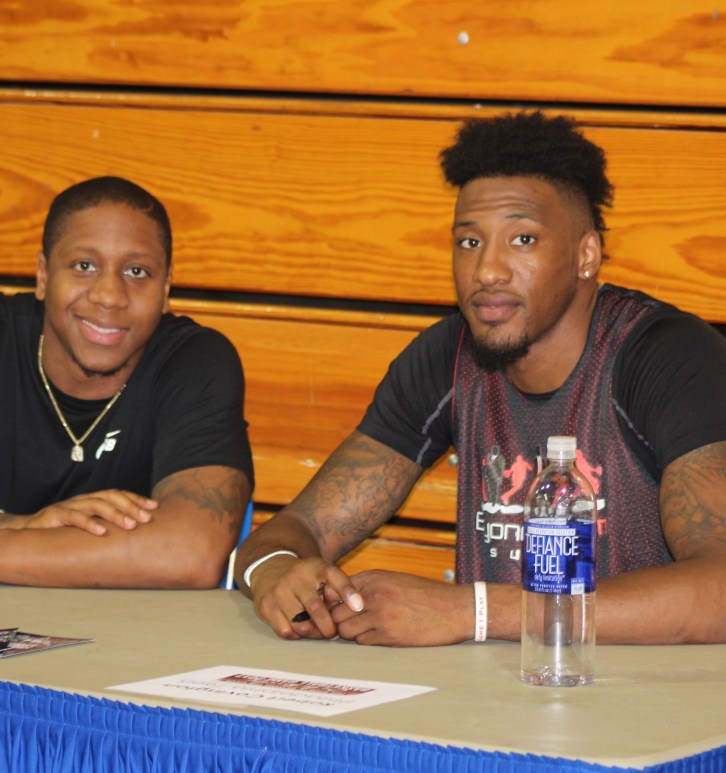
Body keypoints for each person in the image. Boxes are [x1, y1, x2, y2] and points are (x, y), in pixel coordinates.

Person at [235, 111, 726, 646]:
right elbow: (299, 528)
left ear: (586, 255)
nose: (487, 271)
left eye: (523, 239)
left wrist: (477, 611)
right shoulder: (449, 355)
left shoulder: (667, 356)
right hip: (500, 691)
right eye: (469, 242)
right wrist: (276, 571)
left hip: (644, 692)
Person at [0, 176, 253, 588]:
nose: (109, 295)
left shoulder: (194, 362)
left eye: (137, 271)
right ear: (43, 275)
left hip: (127, 625)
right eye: (84, 266)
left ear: (166, 288)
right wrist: (9, 525)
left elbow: (190, 553)